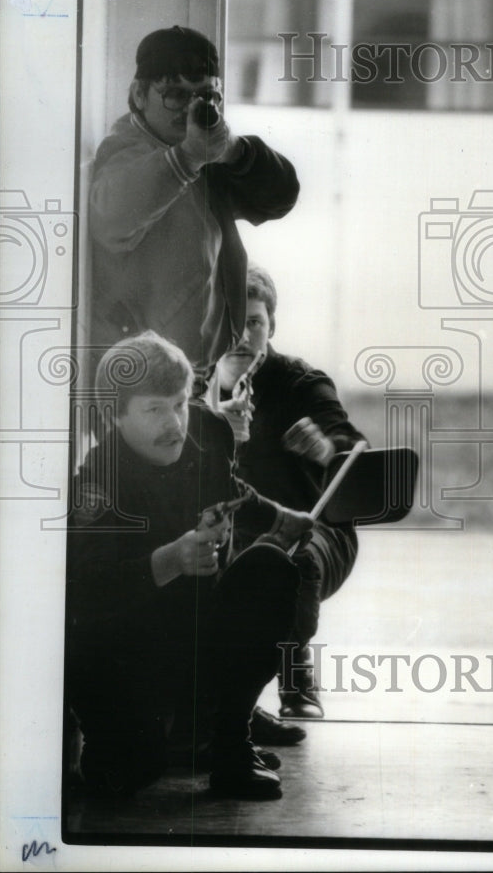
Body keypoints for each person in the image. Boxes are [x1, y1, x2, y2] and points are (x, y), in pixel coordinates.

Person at [66, 331, 314, 800]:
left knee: (269, 566)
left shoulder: (206, 432)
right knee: (126, 775)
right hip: (129, 653)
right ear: (116, 416)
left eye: (179, 404)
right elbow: (82, 595)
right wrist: (171, 559)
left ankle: (229, 745)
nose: (175, 423)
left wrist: (284, 518)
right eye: (154, 409)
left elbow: (232, 487)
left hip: (198, 628)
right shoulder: (97, 481)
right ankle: (172, 736)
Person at [88, 25, 300, 384]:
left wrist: (235, 150)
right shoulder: (126, 151)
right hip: (141, 378)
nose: (190, 109)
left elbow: (282, 196)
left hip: (188, 374)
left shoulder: (202, 154)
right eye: (174, 94)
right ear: (139, 94)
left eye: (204, 96)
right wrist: (187, 157)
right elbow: (112, 220)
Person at [213, 266, 366, 737]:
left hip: (318, 534)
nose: (244, 337)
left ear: (272, 326)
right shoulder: (196, 387)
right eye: (235, 325)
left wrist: (323, 447)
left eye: (255, 323)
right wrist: (215, 419)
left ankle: (293, 666)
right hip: (236, 530)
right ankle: (220, 706)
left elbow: (351, 443)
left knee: (289, 556)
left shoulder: (302, 381)